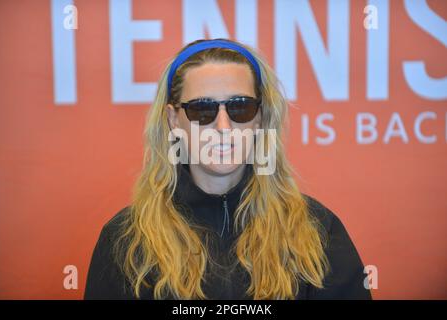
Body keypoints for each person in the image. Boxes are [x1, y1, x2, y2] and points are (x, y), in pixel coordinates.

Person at [84, 38, 372, 300]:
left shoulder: (318, 231)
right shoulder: (125, 240)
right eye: (202, 110)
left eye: (240, 107)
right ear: (174, 120)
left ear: (259, 118)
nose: (223, 127)